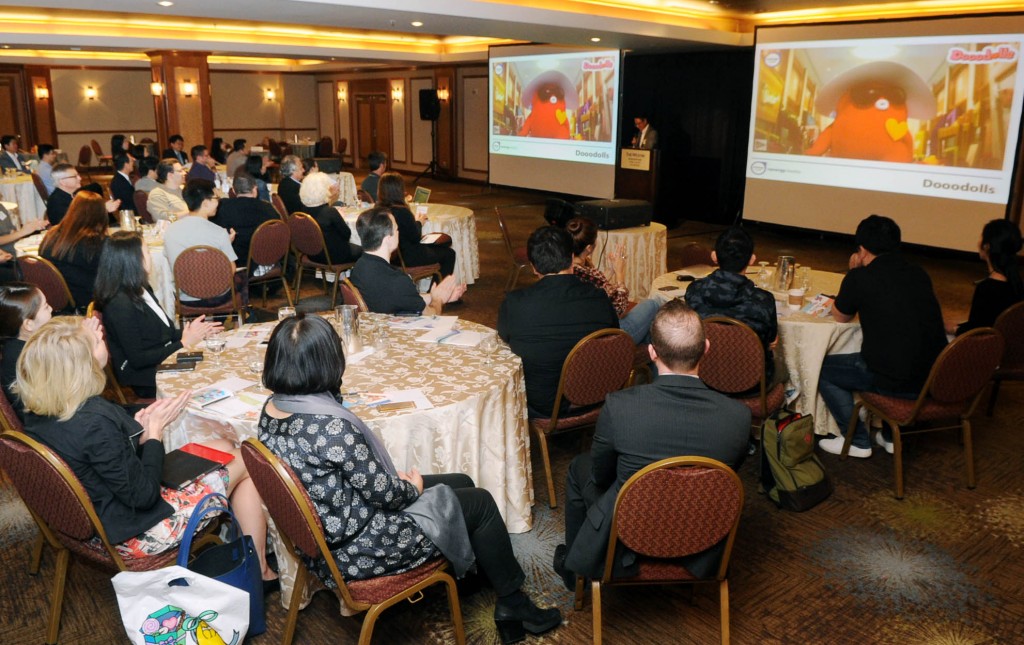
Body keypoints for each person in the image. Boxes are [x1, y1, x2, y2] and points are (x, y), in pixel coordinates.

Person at [258, 314, 561, 643]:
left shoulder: (272, 409)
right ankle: (513, 604)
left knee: (460, 480)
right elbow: (386, 496)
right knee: (482, 503)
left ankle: (477, 575)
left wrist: (395, 485)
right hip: (364, 548)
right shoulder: (332, 428)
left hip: (332, 531)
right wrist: (410, 488)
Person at [18, 317, 275, 583]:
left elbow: (91, 458)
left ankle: (245, 548)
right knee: (249, 456)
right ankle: (258, 569)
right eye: (96, 342)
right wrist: (154, 434)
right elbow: (144, 496)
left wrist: (136, 432)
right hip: (138, 531)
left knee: (224, 446)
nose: (102, 341)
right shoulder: (94, 421)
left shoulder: (41, 411)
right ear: (83, 365)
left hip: (99, 512)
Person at [555, 300, 750, 587]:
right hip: (702, 528)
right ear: (706, 348)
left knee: (579, 469)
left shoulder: (620, 406)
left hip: (630, 526)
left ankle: (576, 569)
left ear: (651, 352)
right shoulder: (739, 416)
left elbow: (600, 475)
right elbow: (726, 477)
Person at [817, 214, 947, 458]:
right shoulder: (918, 272)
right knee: (898, 344)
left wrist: (852, 271)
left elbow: (840, 316)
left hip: (893, 379)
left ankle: (855, 440)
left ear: (862, 250)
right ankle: (889, 437)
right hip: (933, 376)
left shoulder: (860, 276)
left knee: (824, 370)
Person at [497, 226, 619, 418]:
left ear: (533, 266)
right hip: (597, 395)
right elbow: (612, 339)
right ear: (572, 258)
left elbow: (505, 338)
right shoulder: (598, 298)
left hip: (544, 406)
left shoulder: (515, 303)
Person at [95, 231, 221, 398]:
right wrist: (183, 343)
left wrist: (195, 331)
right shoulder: (119, 304)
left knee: (214, 361)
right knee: (208, 376)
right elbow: (138, 359)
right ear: (133, 260)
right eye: (147, 252)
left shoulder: (142, 288)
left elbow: (164, 332)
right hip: (143, 376)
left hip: (160, 358)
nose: (151, 257)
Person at [685, 226, 783, 384]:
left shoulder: (694, 291)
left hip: (703, 376)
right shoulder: (763, 300)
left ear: (714, 257)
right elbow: (771, 342)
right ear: (752, 259)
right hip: (752, 383)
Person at [350, 206, 464, 315]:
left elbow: (402, 297)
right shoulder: (397, 281)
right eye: (396, 229)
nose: (399, 232)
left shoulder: (359, 267)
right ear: (388, 239)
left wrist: (437, 296)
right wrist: (438, 300)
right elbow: (432, 315)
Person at [566, 216, 661, 344]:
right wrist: (620, 272)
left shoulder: (566, 267)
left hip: (578, 332)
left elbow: (596, 286)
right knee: (653, 304)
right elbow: (619, 308)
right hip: (602, 337)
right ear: (589, 248)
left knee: (648, 332)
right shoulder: (589, 273)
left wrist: (610, 270)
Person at [164, 179, 238, 307]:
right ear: (205, 203)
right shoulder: (219, 233)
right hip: (217, 297)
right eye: (216, 197)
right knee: (240, 277)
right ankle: (239, 320)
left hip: (185, 298)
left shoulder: (169, 230)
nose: (218, 201)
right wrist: (224, 245)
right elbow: (230, 270)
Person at [950, 219, 1024, 335]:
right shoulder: (1016, 282)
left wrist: (954, 329)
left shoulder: (987, 289)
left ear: (987, 246)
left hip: (988, 347)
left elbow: (976, 331)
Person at [39, 191, 110, 308]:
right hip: (89, 302)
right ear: (101, 215)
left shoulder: (51, 234)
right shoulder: (97, 243)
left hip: (57, 299)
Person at [377, 172, 456, 277]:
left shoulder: (377, 210)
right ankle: (435, 290)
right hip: (408, 257)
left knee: (441, 246)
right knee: (449, 254)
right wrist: (419, 222)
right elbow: (415, 237)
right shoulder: (402, 211)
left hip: (389, 256)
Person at [0, 282, 52, 420]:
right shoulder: (23, 359)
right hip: (48, 421)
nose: (51, 309)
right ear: (29, 324)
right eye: (46, 307)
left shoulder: (26, 343)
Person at [210, 173, 279, 267]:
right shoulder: (268, 208)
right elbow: (278, 232)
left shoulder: (221, 207)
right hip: (264, 260)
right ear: (255, 189)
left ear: (233, 191)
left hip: (231, 261)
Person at [298, 172, 361, 265]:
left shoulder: (302, 211)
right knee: (366, 251)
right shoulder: (329, 212)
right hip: (333, 257)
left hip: (312, 254)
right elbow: (347, 234)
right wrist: (340, 218)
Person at [46, 163, 119, 226]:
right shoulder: (56, 202)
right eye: (75, 177)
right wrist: (103, 209)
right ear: (63, 182)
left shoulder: (71, 194)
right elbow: (77, 223)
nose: (80, 178)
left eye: (78, 175)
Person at [0, 202, 46, 281]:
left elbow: (11, 231)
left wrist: (31, 228)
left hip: (12, 253)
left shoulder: (1, 207)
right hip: (8, 259)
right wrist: (22, 232)